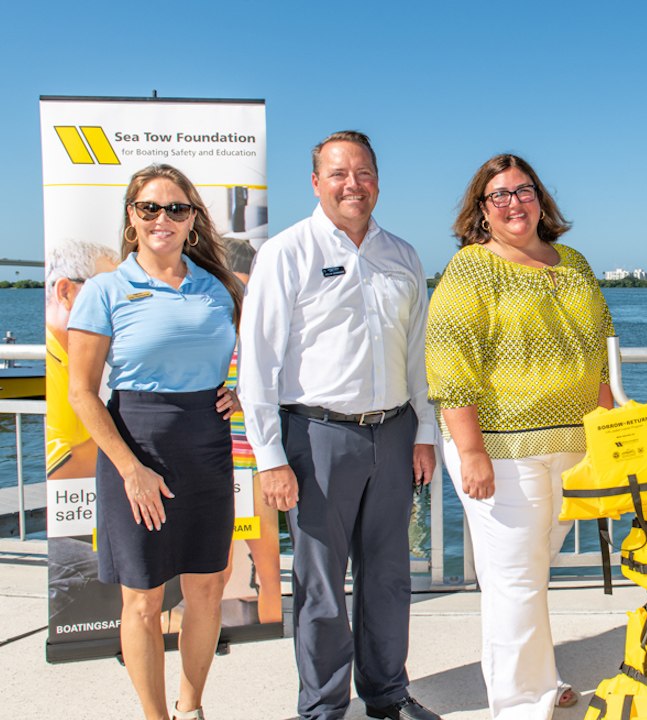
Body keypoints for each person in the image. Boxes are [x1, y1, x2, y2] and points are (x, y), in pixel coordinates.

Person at [237, 131, 441, 720]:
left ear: (378, 179)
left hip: (395, 433)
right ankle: (323, 707)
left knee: (388, 576)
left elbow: (417, 355)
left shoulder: (402, 254)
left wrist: (424, 433)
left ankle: (387, 695)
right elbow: (259, 364)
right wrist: (269, 457)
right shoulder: (286, 252)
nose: (353, 184)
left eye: (364, 172)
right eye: (338, 173)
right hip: (316, 436)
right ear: (316, 182)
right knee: (322, 583)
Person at [425, 153, 614, 718]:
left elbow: (601, 352)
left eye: (523, 190)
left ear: (541, 199)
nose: (513, 203)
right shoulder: (472, 268)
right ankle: (519, 704)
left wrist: (606, 432)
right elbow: (450, 359)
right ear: (481, 210)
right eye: (499, 195)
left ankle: (538, 677)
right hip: (501, 449)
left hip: (574, 445)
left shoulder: (572, 262)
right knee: (514, 580)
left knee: (536, 571)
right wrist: (472, 450)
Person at [66, 164, 243, 720]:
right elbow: (81, 393)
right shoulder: (105, 290)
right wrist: (130, 469)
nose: (162, 218)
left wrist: (240, 395)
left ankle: (191, 708)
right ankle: (155, 716)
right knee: (142, 601)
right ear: (131, 217)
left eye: (176, 208)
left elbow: (254, 359)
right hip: (134, 450)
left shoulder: (218, 288)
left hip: (207, 450)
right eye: (149, 208)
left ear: (192, 220)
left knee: (208, 588)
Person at [221, 237, 283, 625]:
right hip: (218, 465)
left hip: (258, 465)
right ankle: (207, 630)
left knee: (268, 567)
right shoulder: (210, 330)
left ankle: (270, 624)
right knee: (217, 565)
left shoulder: (264, 329)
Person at [45, 238, 118, 480]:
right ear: (65, 291)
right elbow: (62, 468)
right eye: (106, 291)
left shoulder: (82, 354)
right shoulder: (52, 365)